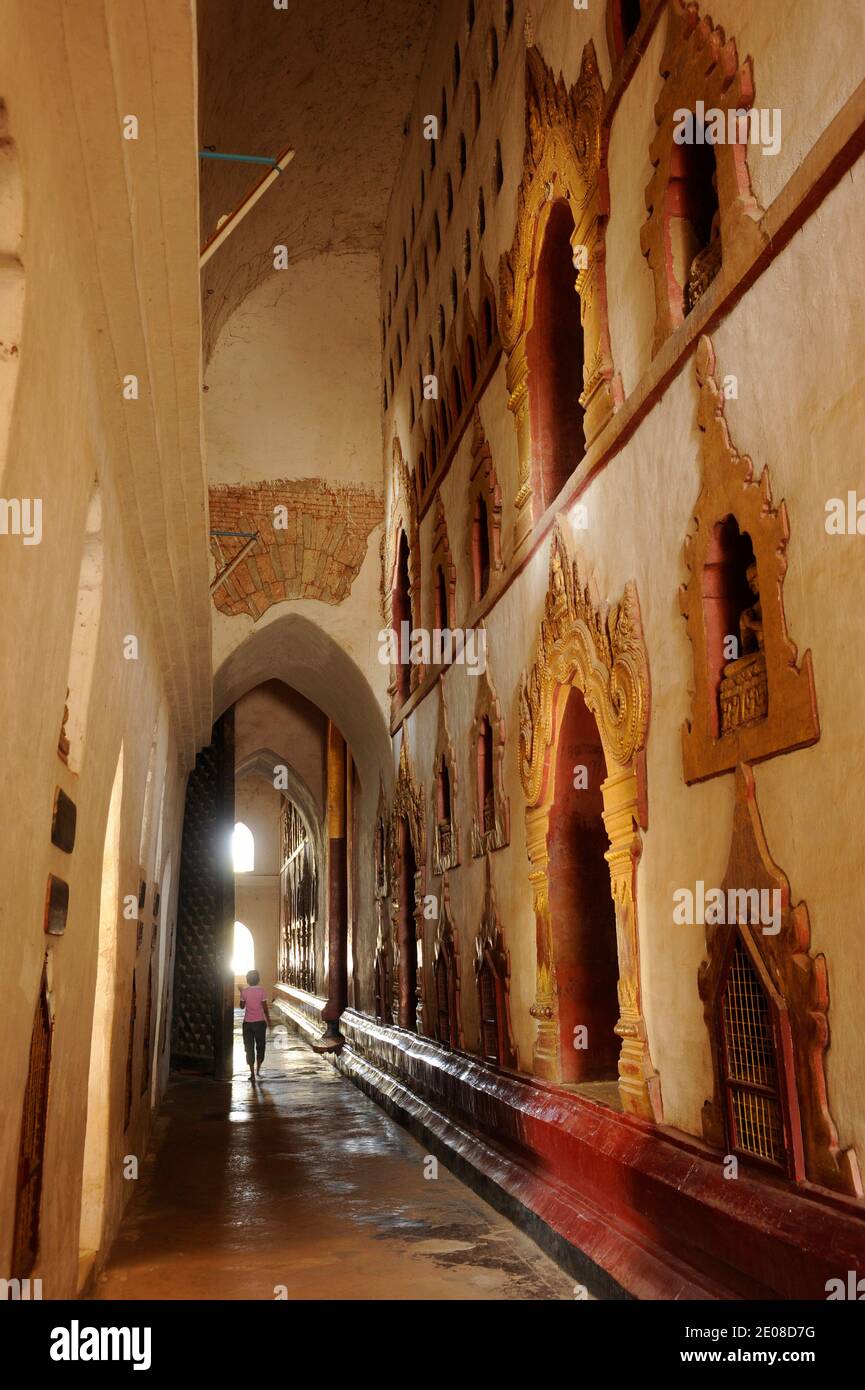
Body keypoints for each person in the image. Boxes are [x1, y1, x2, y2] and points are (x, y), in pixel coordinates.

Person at [239, 970, 271, 1083]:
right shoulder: (262, 990)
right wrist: (269, 1020)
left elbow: (242, 1007)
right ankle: (258, 1070)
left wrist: (241, 993)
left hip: (247, 1023)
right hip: (259, 1023)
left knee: (249, 1048)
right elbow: (265, 1008)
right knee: (260, 1046)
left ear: (248, 980)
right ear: (258, 979)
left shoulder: (245, 992)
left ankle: (252, 1073)